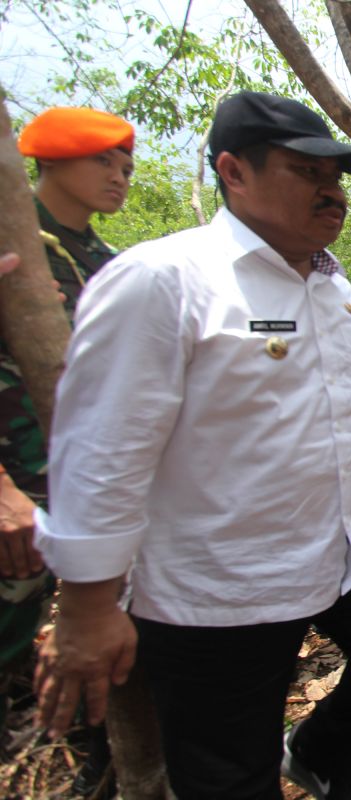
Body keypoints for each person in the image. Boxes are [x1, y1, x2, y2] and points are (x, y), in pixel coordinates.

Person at [31, 90, 351, 800]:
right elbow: (101, 453)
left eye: (336, 178)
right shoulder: (164, 281)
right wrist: (91, 606)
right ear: (234, 172)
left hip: (341, 542)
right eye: (306, 171)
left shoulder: (330, 284)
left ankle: (315, 752)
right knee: (230, 772)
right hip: (222, 583)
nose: (331, 191)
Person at [2, 105, 134, 793]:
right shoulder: (11, 240)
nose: (119, 176)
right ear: (49, 158)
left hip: (90, 505)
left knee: (90, 676)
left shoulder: (108, 264)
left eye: (125, 165)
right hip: (19, 505)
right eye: (102, 160)